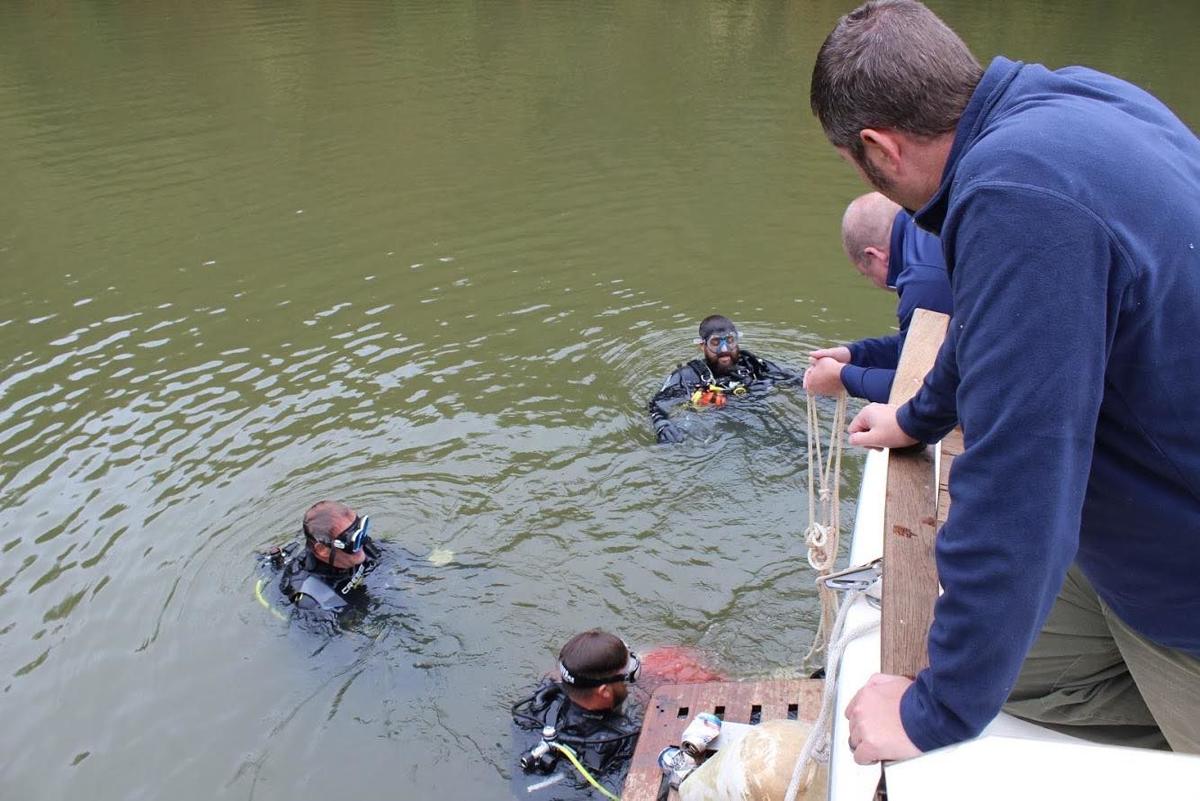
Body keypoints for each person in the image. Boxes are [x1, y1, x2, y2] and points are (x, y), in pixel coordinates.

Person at [810, 0, 1200, 764]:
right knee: (969, 646)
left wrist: (935, 711)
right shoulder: (1075, 99)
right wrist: (918, 416)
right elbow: (991, 328)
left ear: (878, 149)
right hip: (1142, 529)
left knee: (964, 662)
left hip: (1182, 580)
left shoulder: (1015, 203)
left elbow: (1021, 474)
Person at [804, 192, 952, 402]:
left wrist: (843, 377)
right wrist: (855, 356)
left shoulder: (924, 280)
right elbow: (923, 347)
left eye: (867, 274)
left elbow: (920, 393)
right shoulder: (932, 220)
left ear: (874, 255)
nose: (874, 283)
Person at [511, 630, 644, 799]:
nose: (629, 683)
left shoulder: (542, 703)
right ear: (604, 692)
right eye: (627, 678)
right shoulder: (622, 740)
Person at [649, 314, 800, 443]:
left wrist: (768, 384)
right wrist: (662, 424)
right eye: (715, 343)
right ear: (702, 346)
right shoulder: (688, 375)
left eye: (729, 340)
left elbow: (795, 379)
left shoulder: (752, 365)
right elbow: (657, 404)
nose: (724, 350)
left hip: (759, 423)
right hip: (714, 434)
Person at [261, 500, 381, 613]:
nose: (364, 540)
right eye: (354, 540)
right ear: (323, 550)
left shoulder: (361, 546)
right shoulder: (310, 598)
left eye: (362, 529)